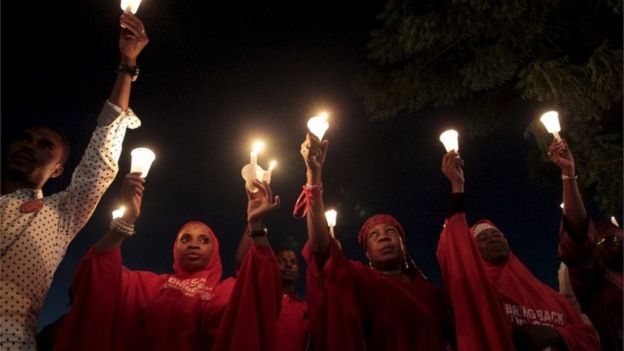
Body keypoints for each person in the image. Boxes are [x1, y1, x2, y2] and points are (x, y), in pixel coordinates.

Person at [0, 13, 148, 350]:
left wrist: (127, 65)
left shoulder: (58, 213)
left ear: (57, 170)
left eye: (45, 146)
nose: (29, 147)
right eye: (24, 139)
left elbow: (100, 160)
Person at [51, 175, 281, 351]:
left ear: (215, 250)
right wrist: (127, 219)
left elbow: (261, 292)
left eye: (203, 240)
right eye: (185, 239)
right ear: (175, 248)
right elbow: (97, 275)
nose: (193, 244)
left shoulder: (226, 291)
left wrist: (255, 225)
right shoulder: (149, 286)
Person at [297, 133, 454, 351]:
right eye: (374, 235)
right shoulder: (362, 280)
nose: (383, 236)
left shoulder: (431, 294)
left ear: (403, 245)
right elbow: (323, 254)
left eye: (390, 231)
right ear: (367, 253)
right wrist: (313, 178)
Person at [438, 150, 601, 351]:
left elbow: (590, 338)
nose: (492, 240)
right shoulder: (478, 292)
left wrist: (557, 335)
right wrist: (457, 187)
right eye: (483, 239)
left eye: (497, 236)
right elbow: (453, 247)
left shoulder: (553, 298)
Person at [549, 138, 622, 351]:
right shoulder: (598, 285)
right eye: (609, 239)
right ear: (594, 249)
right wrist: (569, 175)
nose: (619, 243)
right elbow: (577, 234)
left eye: (621, 237)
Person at [275, 249, 309, 351]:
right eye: (282, 261)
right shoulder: (265, 302)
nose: (288, 265)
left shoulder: (305, 308)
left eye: (293, 262)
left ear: (298, 270)